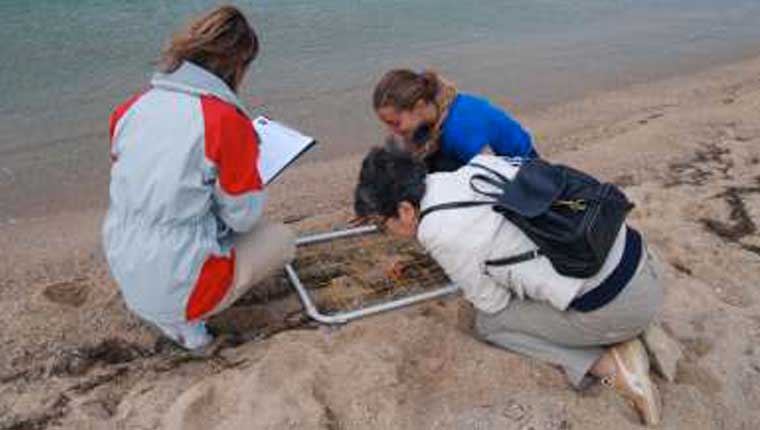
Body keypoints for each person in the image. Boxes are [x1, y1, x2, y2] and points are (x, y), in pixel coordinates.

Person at [354, 147, 664, 425]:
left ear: (405, 211)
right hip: (640, 263)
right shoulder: (477, 167)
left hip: (622, 307)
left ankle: (609, 368)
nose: (387, 233)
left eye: (383, 225)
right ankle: (616, 332)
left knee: (489, 324)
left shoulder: (437, 230)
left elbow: (492, 303)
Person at [103, 6, 295, 352]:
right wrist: (249, 171)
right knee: (281, 238)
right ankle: (190, 325)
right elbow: (242, 218)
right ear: (238, 65)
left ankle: (170, 311)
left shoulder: (129, 109)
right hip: (183, 287)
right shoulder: (224, 120)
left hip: (125, 263)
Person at [373, 69, 537, 172]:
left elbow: (494, 175)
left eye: (395, 123)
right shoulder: (433, 101)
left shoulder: (459, 130)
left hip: (523, 167)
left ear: (419, 106)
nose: (391, 130)